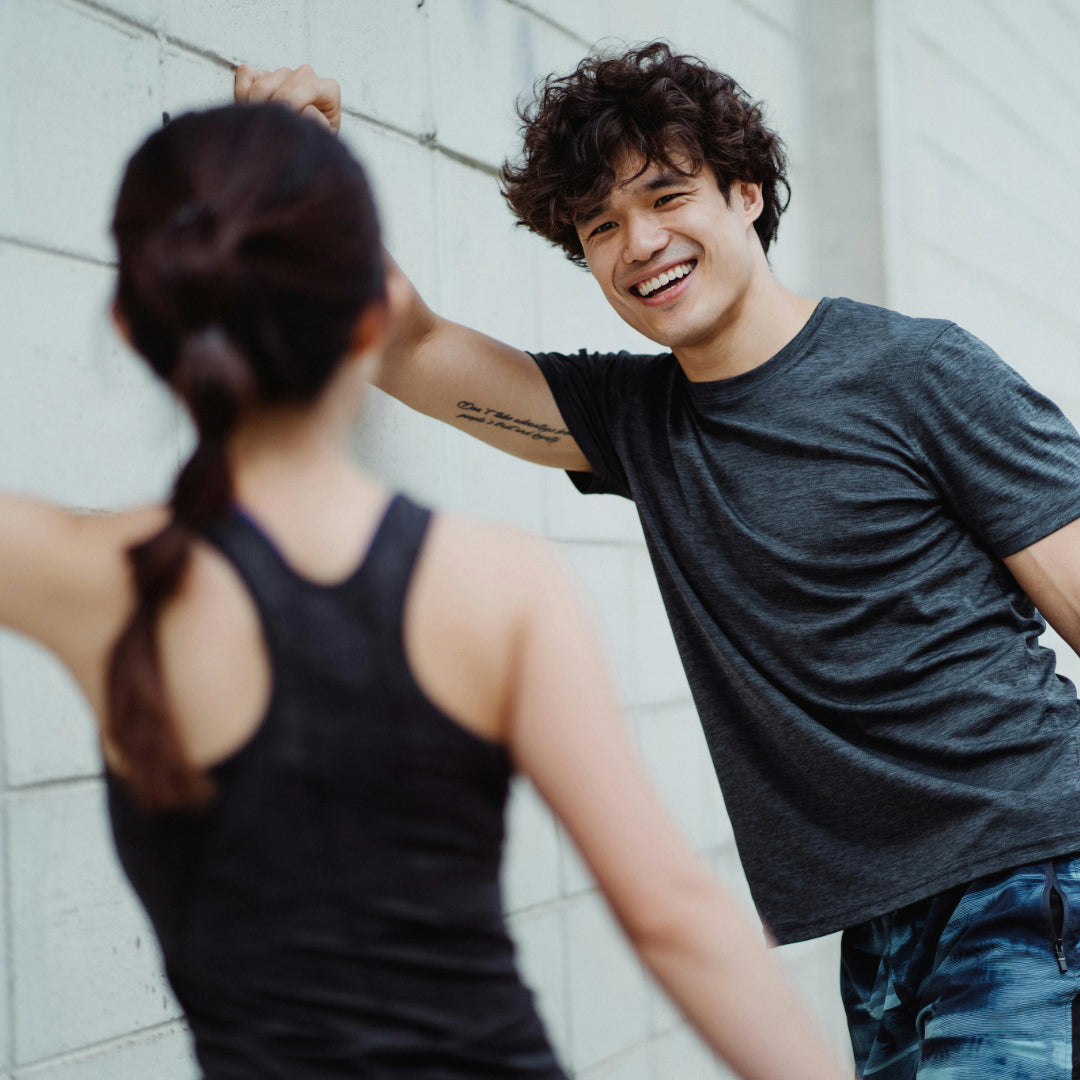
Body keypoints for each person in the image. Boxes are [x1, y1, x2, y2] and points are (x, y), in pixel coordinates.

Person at [236, 41, 1080, 1079]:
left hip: (1038, 873)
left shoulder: (919, 371)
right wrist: (302, 168)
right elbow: (403, 346)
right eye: (601, 225)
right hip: (882, 926)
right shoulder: (636, 423)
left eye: (668, 196)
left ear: (746, 193)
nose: (640, 243)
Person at [0, 102, 850, 1078]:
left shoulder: (84, 577)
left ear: (129, 325)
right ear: (369, 323)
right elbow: (673, 917)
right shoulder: (493, 586)